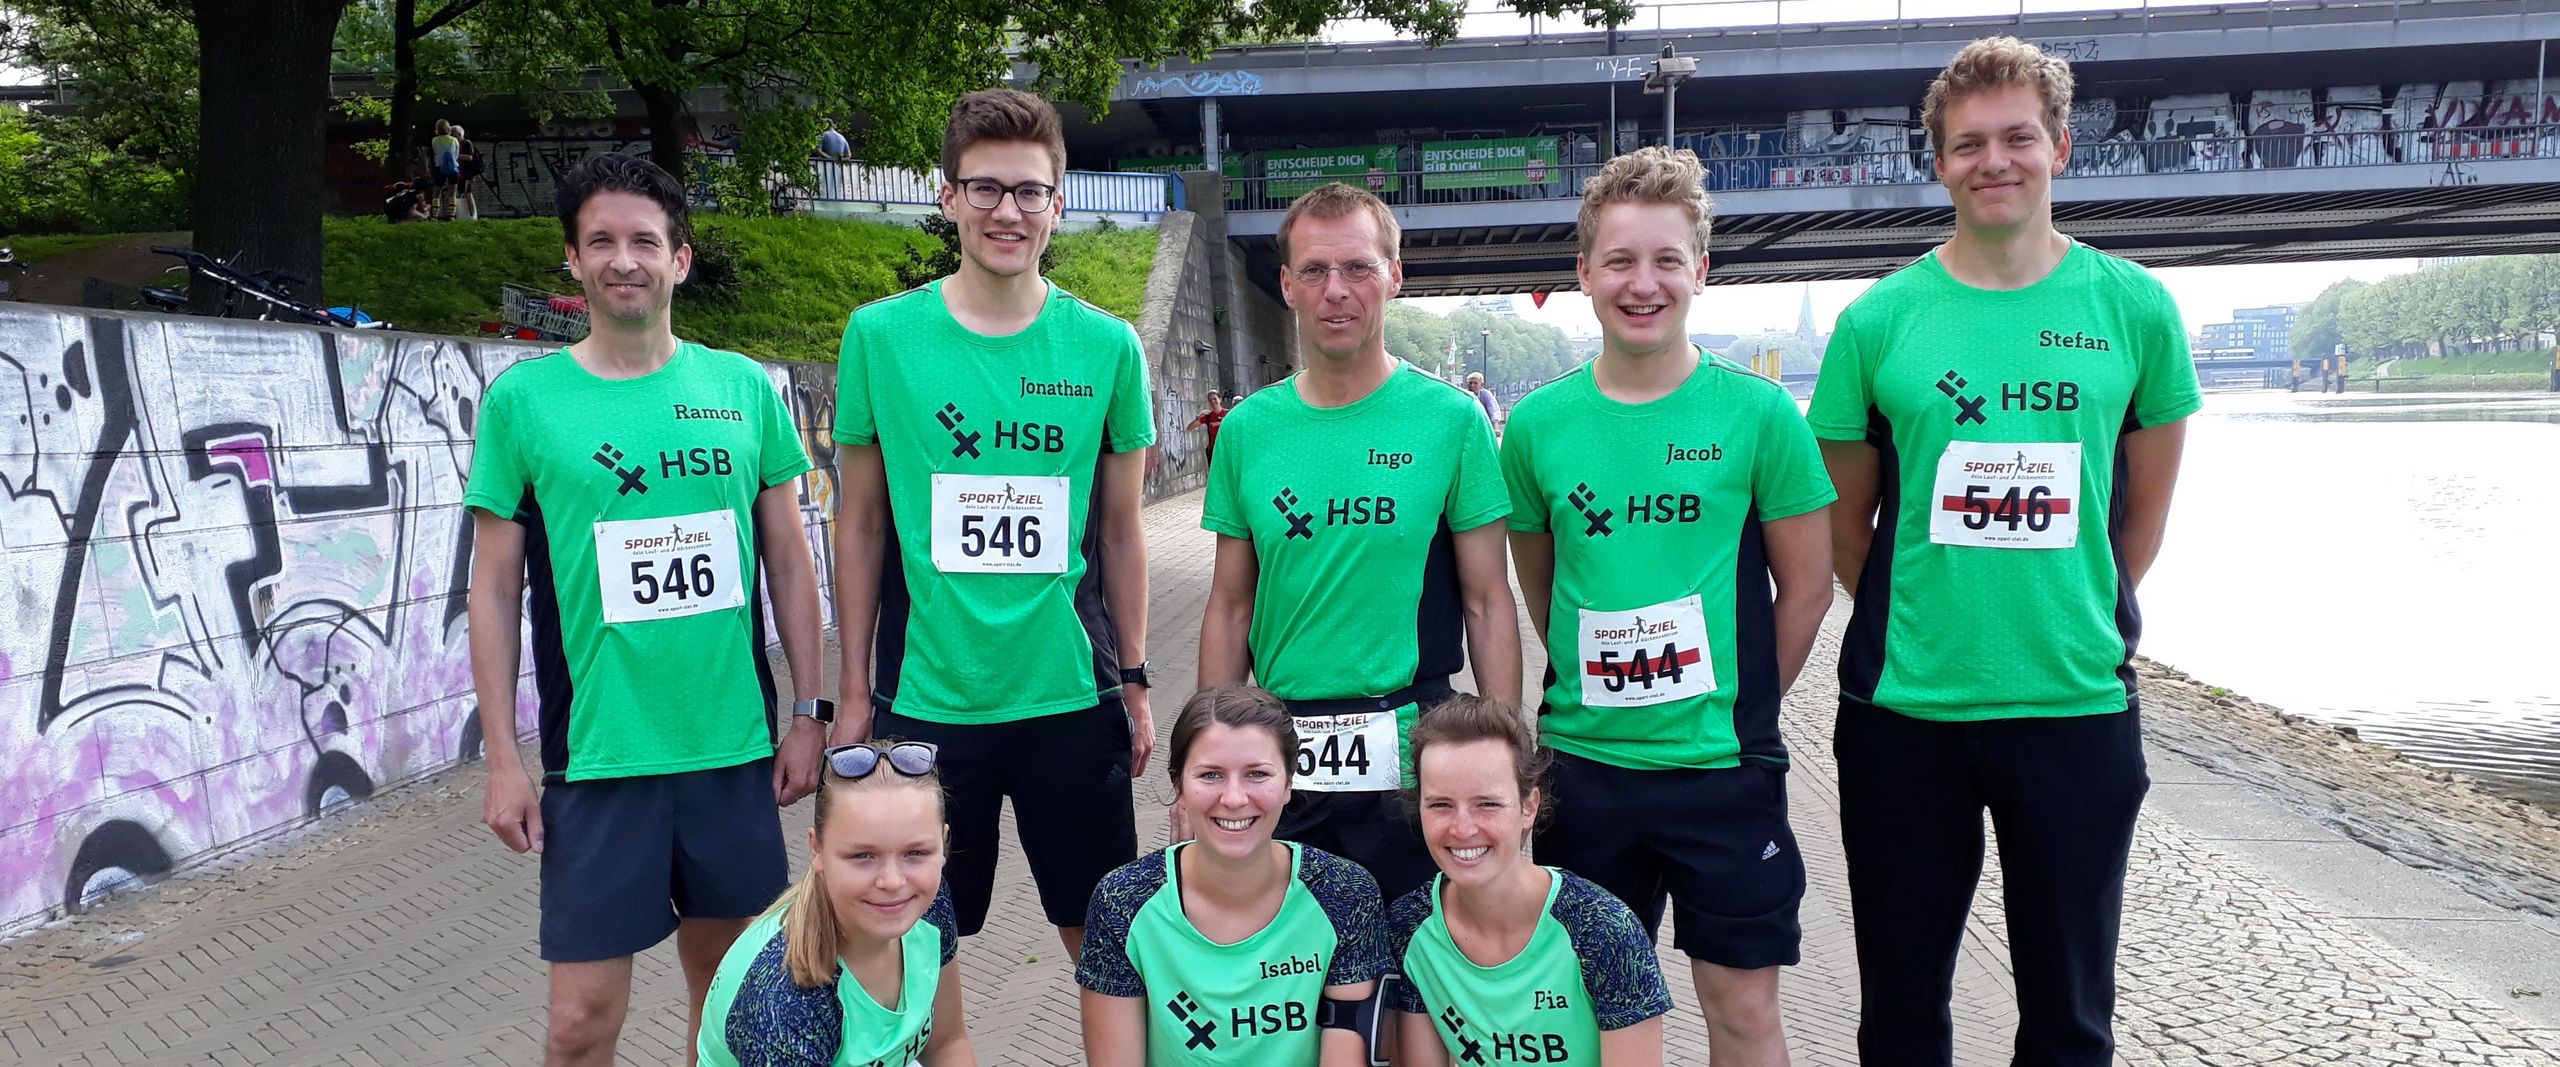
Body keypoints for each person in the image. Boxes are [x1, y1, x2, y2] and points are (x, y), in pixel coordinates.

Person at [1807, 36, 2200, 1067]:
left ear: (2060, 147)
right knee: (1901, 1014)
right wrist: (1932, 606)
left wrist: (2067, 601)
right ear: (1937, 161)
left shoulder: (2135, 309)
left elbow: (2140, 517)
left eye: (2017, 138)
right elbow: (1847, 527)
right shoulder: (1878, 321)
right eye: (1969, 143)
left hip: (2075, 707)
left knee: (2071, 1020)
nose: (1995, 161)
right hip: (1905, 715)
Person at [465, 151, 832, 1066]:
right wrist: (504, 760)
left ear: (680, 259)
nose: (623, 259)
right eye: (601, 242)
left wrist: (808, 714)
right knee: (579, 1023)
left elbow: (790, 561)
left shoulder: (741, 389)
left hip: (731, 755)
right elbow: (493, 589)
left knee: (735, 1009)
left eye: (643, 241)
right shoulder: (524, 402)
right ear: (573, 258)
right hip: (599, 759)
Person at [1500, 145, 1836, 1067]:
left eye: (1665, 260)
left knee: (1743, 1014)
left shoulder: (1760, 415)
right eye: (1619, 260)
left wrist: (1736, 695)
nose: (1642, 283)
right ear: (1584, 272)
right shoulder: (1537, 426)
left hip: (1723, 772)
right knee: (1584, 1015)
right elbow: (1542, 585)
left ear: (1701, 270)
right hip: (1584, 773)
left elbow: (1809, 588)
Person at [831, 88, 1155, 959]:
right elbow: (860, 526)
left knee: (1106, 941)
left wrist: (1135, 678)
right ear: (949, 198)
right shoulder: (880, 337)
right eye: (985, 188)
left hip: (1071, 697)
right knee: (912, 940)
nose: (1007, 211)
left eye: (1029, 191)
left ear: (1057, 204)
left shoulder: (1108, 346)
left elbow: (1121, 533)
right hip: (927, 701)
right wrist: (854, 690)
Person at [1197, 181, 1521, 911]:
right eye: (1314, 270)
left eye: (1358, 268)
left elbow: (1487, 598)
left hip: (1412, 750)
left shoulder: (1451, 419)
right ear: (1287, 285)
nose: (1335, 290)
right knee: (1288, 965)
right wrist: (1209, 761)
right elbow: (1229, 605)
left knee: (1416, 968)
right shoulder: (1248, 429)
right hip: (1280, 750)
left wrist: (1503, 755)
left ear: (1394, 275)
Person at [1077, 685, 1390, 1066]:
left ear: (1289, 782)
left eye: (1257, 774)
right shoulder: (1122, 902)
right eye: (1211, 775)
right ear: (1179, 785)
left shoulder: (1345, 893)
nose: (1234, 798)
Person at [1386, 695, 1672, 1067]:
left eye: (1487, 804)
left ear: (1529, 807)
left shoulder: (1602, 929)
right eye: (1440, 804)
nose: (1463, 828)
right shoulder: (1409, 928)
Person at [697, 741, 977, 1066]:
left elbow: (946, 1042)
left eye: (916, 853)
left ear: (942, 844)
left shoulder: (929, 902)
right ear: (817, 849)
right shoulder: (783, 1004)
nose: (893, 882)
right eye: (863, 856)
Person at [429, 119, 462, 221]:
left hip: (439, 168)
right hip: (453, 168)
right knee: (453, 193)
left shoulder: (434, 140)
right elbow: (456, 155)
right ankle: (452, 216)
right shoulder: (454, 140)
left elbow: (434, 153)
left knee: (436, 193)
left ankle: (435, 216)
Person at [1184, 389, 1228, 462]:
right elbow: (1189, 428)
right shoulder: (1208, 417)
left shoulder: (1228, 414)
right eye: (1210, 400)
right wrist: (1198, 416)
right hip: (1214, 452)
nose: (1213, 401)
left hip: (1227, 450)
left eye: (1215, 399)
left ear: (1220, 399)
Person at [456, 125, 484, 221]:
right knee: (462, 193)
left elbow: (470, 157)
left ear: (459, 134)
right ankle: (466, 215)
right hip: (461, 173)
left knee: (468, 193)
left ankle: (472, 216)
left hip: (467, 173)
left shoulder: (466, 143)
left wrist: (457, 156)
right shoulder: (459, 145)